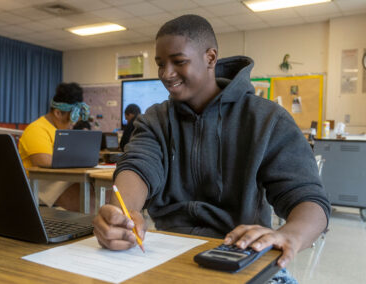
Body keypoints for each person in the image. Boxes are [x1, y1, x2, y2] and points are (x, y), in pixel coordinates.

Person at [93, 15, 330, 280]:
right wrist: (122, 214)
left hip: (239, 253)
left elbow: (309, 199)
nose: (166, 74)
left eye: (179, 62)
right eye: (161, 64)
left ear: (210, 58)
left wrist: (290, 236)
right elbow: (137, 166)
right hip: (168, 253)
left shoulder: (266, 119)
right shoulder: (155, 119)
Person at [18, 82, 92, 212]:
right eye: (71, 120)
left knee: (100, 194)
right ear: (58, 113)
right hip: (41, 182)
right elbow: (43, 161)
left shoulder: (60, 130)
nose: (73, 125)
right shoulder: (36, 129)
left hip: (60, 178)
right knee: (91, 203)